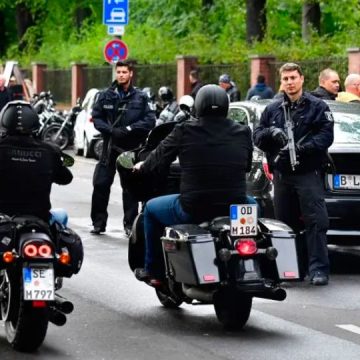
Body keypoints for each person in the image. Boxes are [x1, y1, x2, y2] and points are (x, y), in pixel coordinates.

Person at [132, 84, 253, 283]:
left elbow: (156, 161)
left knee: (151, 210)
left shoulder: (185, 130)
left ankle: (154, 271)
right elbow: (246, 166)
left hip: (194, 207)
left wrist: (141, 167)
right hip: (236, 205)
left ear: (198, 105)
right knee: (254, 207)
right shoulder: (243, 131)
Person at [253, 63, 334, 286]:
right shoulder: (273, 109)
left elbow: (326, 137)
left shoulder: (317, 107)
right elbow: (257, 136)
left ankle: (318, 269)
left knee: (316, 221)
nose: (290, 82)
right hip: (282, 174)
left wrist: (302, 148)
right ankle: (290, 269)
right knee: (285, 224)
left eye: (293, 78)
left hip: (308, 172)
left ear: (302, 79)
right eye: (286, 78)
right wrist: (272, 132)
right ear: (282, 81)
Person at [90, 60, 156, 235]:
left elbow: (150, 120)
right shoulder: (105, 96)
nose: (120, 75)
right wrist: (110, 131)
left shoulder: (141, 97)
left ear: (131, 74)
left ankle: (130, 225)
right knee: (100, 184)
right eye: (118, 72)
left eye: (124, 72)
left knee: (130, 189)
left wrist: (128, 130)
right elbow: (96, 118)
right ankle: (98, 223)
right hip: (109, 147)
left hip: (130, 148)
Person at [0, 100, 73, 222]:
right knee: (62, 216)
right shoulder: (50, 150)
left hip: (4, 220)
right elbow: (66, 177)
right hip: (40, 219)